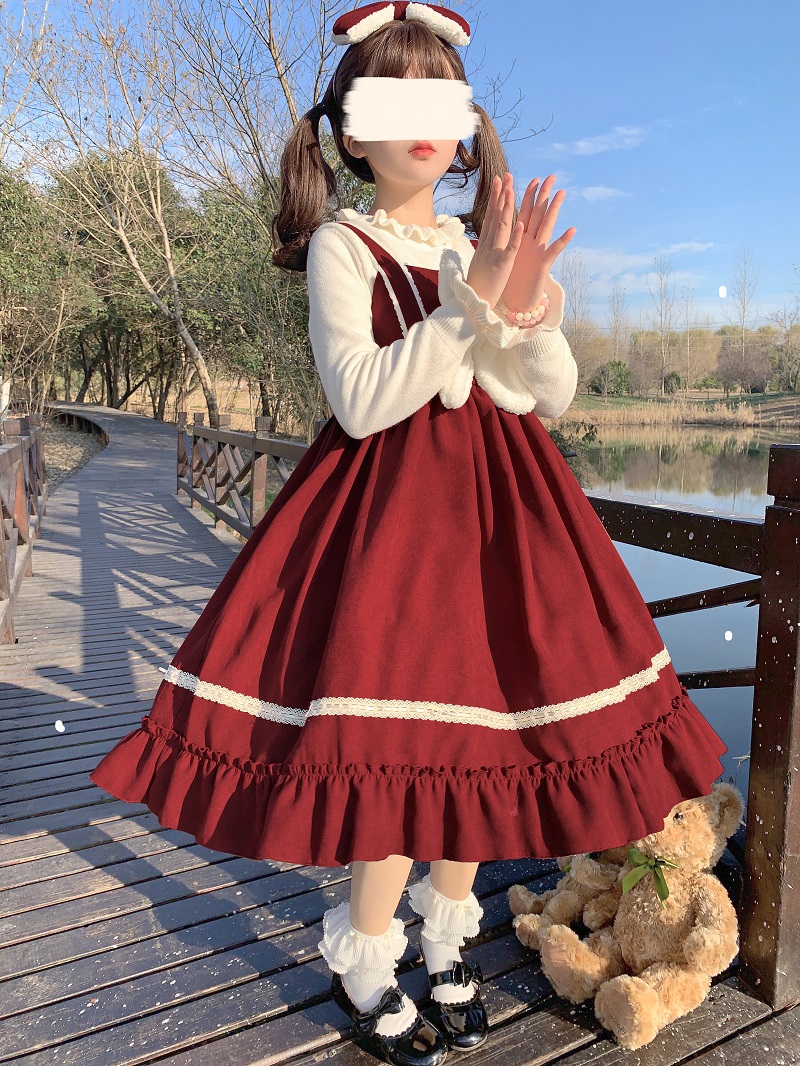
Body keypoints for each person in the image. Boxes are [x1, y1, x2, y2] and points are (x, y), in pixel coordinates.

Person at [90, 3, 728, 1063]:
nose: (423, 123)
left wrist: (525, 306)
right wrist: (466, 306)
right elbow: (362, 399)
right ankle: (365, 959)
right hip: (389, 534)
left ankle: (444, 939)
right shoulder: (345, 243)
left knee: (485, 744)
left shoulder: (468, 244)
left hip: (501, 532)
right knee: (396, 749)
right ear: (351, 132)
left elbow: (541, 398)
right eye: (394, 101)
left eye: (441, 100)